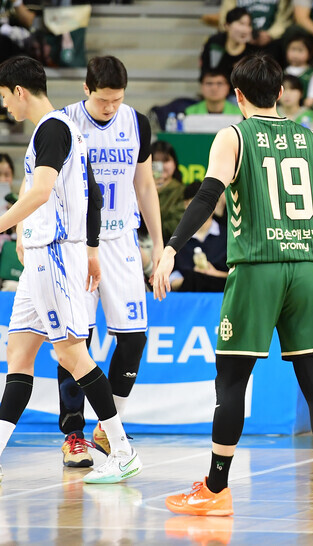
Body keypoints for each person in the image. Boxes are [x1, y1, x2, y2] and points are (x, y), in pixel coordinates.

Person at [154, 53, 313, 519]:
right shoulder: (311, 137)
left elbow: (208, 195)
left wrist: (171, 246)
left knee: (231, 382)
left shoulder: (233, 135)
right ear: (282, 93)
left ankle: (216, 488)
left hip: (257, 269)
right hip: (307, 269)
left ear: (239, 96)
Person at [0, 55, 141, 484]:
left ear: (19, 91)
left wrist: (5, 224)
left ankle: (122, 450)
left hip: (56, 255)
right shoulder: (62, 130)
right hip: (41, 256)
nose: (4, 105)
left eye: (4, 96)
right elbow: (91, 195)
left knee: (70, 354)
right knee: (19, 356)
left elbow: (41, 191)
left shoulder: (53, 129)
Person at [58, 55, 164, 467]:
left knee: (134, 338)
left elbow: (145, 185)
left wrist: (159, 245)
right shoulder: (64, 122)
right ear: (86, 89)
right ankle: (74, 434)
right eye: (103, 100)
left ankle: (109, 422)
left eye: (117, 100)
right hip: (75, 241)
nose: (110, 107)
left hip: (121, 240)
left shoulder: (137, 122)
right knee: (75, 340)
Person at [169, 181, 228, 292]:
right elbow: (170, 276)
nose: (202, 209)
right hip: (188, 297)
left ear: (215, 204)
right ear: (186, 205)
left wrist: (215, 274)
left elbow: (239, 274)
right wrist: (191, 279)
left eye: (208, 203)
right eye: (196, 203)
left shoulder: (229, 237)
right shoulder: (176, 240)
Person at [200, 7, 258, 82]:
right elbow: (205, 72)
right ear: (227, 26)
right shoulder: (215, 42)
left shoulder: (254, 49)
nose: (246, 29)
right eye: (241, 24)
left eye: (249, 25)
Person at [151, 140, 186, 243]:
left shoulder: (181, 191)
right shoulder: (137, 191)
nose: (161, 166)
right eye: (156, 162)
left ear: (174, 163)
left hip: (169, 243)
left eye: (165, 161)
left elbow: (177, 224)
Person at [283, 33, 313, 109]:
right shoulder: (283, 73)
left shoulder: (312, 74)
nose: (295, 54)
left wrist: (301, 111)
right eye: (293, 49)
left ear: (310, 53)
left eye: (300, 50)